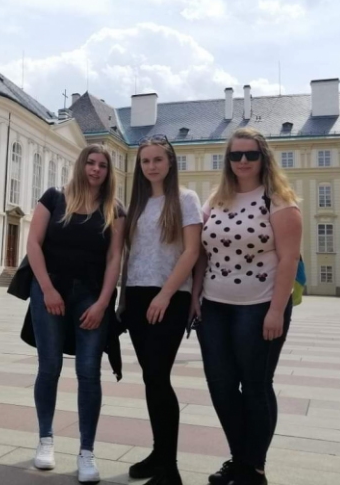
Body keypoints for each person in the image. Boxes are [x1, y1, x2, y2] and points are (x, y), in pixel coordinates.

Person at [192, 127, 302, 485]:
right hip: (214, 307)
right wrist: (194, 296)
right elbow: (200, 251)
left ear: (263, 158)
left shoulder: (279, 201)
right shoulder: (216, 199)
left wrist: (276, 310)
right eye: (235, 155)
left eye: (250, 154)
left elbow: (289, 259)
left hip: (259, 306)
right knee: (221, 386)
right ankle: (241, 460)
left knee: (255, 386)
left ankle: (253, 468)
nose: (242, 161)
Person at [26, 144, 124, 483]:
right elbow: (33, 244)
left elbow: (114, 258)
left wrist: (103, 303)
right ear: (81, 165)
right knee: (49, 366)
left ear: (108, 172)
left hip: (91, 295)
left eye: (103, 165)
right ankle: (45, 440)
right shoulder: (54, 198)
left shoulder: (114, 209)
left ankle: (86, 452)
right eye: (91, 163)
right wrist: (47, 289)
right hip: (49, 289)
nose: (96, 169)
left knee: (89, 372)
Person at [120, 134, 202, 485]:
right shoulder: (137, 204)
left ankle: (170, 469)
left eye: (158, 159)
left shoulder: (185, 199)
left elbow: (192, 251)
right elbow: (130, 254)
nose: (151, 166)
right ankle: (159, 454)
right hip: (137, 296)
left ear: (170, 162)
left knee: (158, 376)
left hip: (169, 297)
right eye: (145, 161)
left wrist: (165, 295)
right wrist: (124, 300)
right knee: (151, 378)